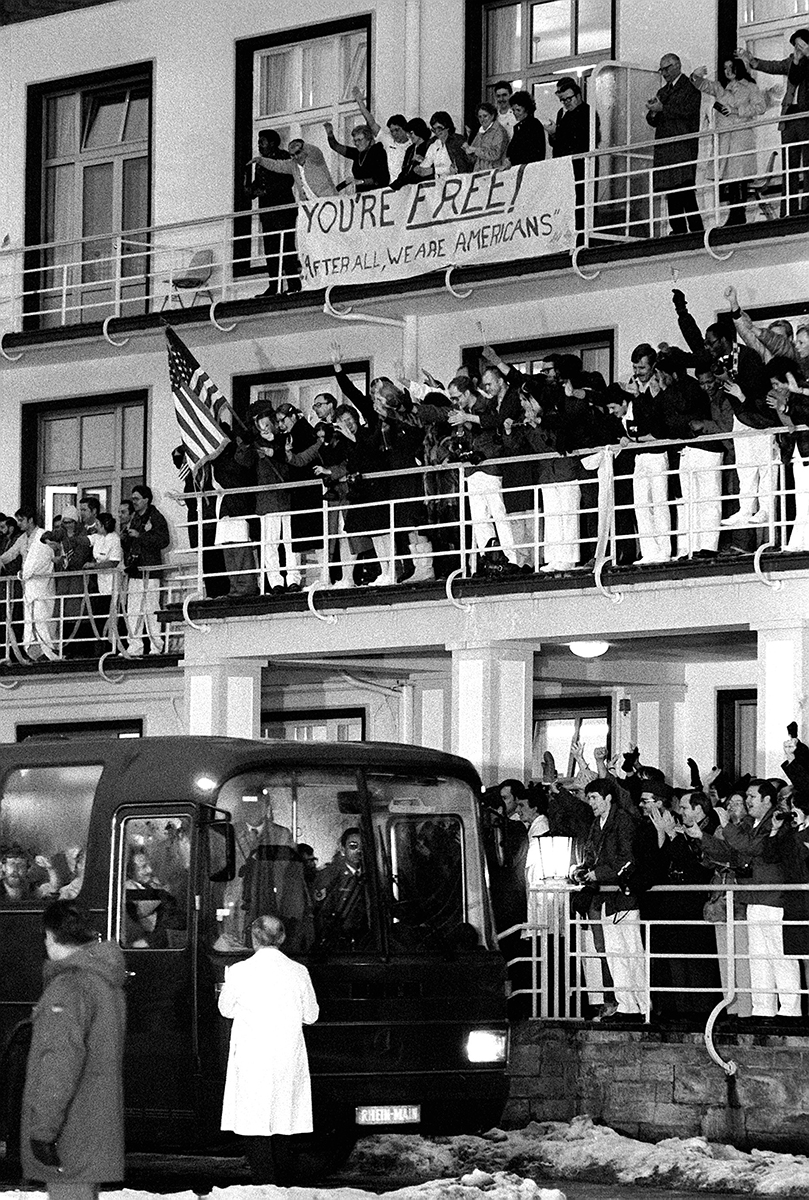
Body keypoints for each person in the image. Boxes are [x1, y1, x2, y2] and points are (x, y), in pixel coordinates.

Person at [21, 901, 126, 1200]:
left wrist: (42, 1131)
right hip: (94, 1125)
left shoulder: (69, 987)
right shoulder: (103, 980)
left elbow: (58, 1064)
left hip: (69, 1132)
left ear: (51, 936)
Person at [219, 915, 318, 1185]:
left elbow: (226, 1010)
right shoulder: (299, 971)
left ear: (253, 938)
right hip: (288, 1056)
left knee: (255, 1121)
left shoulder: (239, 971)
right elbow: (311, 1015)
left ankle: (264, 1182)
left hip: (253, 1057)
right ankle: (284, 1184)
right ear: (283, 938)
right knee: (285, 1118)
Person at [577, 778, 647, 1022]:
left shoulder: (623, 821)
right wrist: (582, 869)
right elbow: (590, 854)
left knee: (632, 953)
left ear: (608, 798)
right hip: (605, 897)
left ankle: (642, 1005)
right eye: (589, 799)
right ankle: (626, 1004)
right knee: (616, 954)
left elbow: (627, 858)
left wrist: (599, 873)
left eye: (594, 798)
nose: (591, 803)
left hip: (622, 898)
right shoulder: (598, 823)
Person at [738, 30, 809, 217]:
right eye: (796, 46)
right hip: (789, 115)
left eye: (802, 45)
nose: (798, 49)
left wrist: (800, 61)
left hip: (807, 116)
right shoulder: (792, 61)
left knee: (808, 163)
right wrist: (752, 61)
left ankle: (807, 205)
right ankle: (789, 208)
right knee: (789, 164)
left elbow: (796, 77)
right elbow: (773, 66)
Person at [691, 58, 767, 226]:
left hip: (740, 137)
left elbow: (760, 107)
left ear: (738, 68)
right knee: (730, 179)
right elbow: (705, 86)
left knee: (739, 177)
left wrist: (737, 110)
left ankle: (739, 214)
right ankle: (735, 214)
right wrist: (695, 76)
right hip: (726, 139)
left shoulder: (750, 88)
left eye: (730, 67)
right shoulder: (722, 89)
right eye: (724, 68)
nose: (727, 71)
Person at [645, 53, 704, 234]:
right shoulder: (663, 92)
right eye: (661, 69)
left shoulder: (689, 87)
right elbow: (652, 120)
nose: (664, 73)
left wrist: (663, 109)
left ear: (678, 65)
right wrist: (653, 112)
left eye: (667, 68)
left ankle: (695, 229)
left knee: (684, 187)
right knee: (671, 189)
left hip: (682, 144)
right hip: (667, 147)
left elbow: (687, 111)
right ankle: (678, 228)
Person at [243, 129, 301, 296]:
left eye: (262, 141)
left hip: (283, 209)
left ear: (273, 142)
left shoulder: (283, 156)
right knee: (271, 248)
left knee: (286, 245)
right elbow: (257, 184)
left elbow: (287, 180)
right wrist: (250, 189)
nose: (259, 144)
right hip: (267, 211)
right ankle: (274, 285)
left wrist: (265, 192)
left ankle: (293, 283)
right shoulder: (261, 163)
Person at [0, 506, 59, 661]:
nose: (18, 524)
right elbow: (10, 554)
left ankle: (48, 653)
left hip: (41, 584)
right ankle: (35, 653)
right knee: (30, 621)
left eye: (21, 520)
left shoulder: (42, 536)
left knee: (42, 618)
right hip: (28, 584)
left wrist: (23, 574)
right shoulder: (23, 538)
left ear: (30, 520)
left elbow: (40, 561)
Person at [121, 485, 170, 657]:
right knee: (133, 611)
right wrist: (126, 538)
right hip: (135, 571)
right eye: (133, 498)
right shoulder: (135, 518)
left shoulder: (156, 517)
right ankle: (134, 646)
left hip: (150, 571)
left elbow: (164, 540)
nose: (133, 502)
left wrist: (140, 536)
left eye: (136, 499)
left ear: (146, 500)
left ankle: (156, 646)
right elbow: (130, 543)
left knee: (151, 610)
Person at [314, 828, 370, 947]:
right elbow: (320, 913)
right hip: (337, 943)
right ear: (343, 849)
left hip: (366, 942)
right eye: (353, 846)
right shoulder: (329, 875)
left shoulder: (373, 875)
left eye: (363, 847)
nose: (359, 851)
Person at [351, 88, 411, 180]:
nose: (394, 134)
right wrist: (359, 101)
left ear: (404, 128)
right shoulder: (387, 140)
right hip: (389, 187)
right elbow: (371, 122)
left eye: (397, 130)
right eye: (392, 131)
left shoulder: (413, 144)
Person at [251, 139, 337, 200]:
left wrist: (303, 145)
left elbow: (315, 151)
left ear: (304, 150)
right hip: (311, 206)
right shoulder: (292, 165)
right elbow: (277, 165)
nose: (296, 157)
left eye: (298, 152)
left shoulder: (315, 159)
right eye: (292, 155)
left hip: (328, 201)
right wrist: (260, 160)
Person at [324, 122, 390, 192]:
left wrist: (362, 181)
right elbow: (336, 147)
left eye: (359, 140)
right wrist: (330, 134)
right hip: (361, 198)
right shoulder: (357, 153)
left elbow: (383, 179)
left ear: (369, 139)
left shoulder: (378, 151)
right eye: (355, 141)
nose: (357, 143)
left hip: (377, 196)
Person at [416, 112, 473, 178]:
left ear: (447, 127)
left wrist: (434, 170)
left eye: (439, 128)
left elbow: (460, 167)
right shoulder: (433, 144)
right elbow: (424, 168)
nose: (437, 132)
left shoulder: (458, 141)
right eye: (434, 129)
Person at [390, 118, 433, 189]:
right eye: (408, 133)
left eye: (411, 133)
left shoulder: (429, 147)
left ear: (418, 131)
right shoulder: (410, 149)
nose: (409, 136)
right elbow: (404, 171)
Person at [463, 102, 509, 170]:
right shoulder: (480, 132)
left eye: (485, 116)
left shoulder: (499, 131)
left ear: (492, 116)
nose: (482, 119)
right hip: (479, 172)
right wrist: (467, 150)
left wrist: (475, 150)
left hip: (494, 172)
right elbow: (473, 158)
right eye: (480, 117)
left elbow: (495, 155)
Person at [506, 91, 546, 165]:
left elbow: (535, 152)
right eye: (513, 110)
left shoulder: (534, 125)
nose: (515, 113)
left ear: (527, 109)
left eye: (518, 110)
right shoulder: (518, 127)